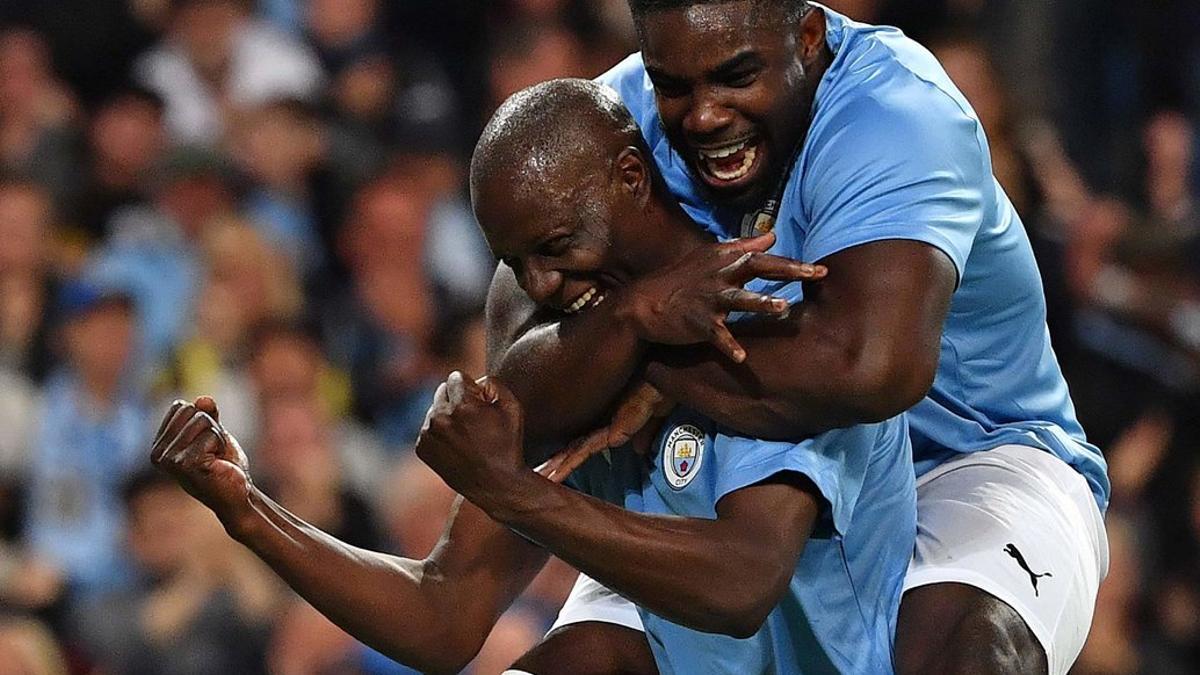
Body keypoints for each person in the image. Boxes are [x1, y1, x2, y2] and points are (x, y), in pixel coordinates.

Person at [151, 78, 914, 674]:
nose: (540, 286)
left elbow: (742, 581)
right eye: (516, 263)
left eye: (555, 244)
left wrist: (514, 489)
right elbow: (444, 613)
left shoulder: (758, 307)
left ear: (629, 177)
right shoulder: (570, 360)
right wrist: (247, 508)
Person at [502, 2, 1108, 674]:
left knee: (970, 652)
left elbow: (870, 370)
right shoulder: (607, 127)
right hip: (730, 480)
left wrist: (641, 352)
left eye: (736, 76)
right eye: (672, 85)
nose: (703, 114)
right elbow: (516, 383)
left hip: (964, 457)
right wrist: (632, 319)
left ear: (809, 37)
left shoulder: (897, 111)